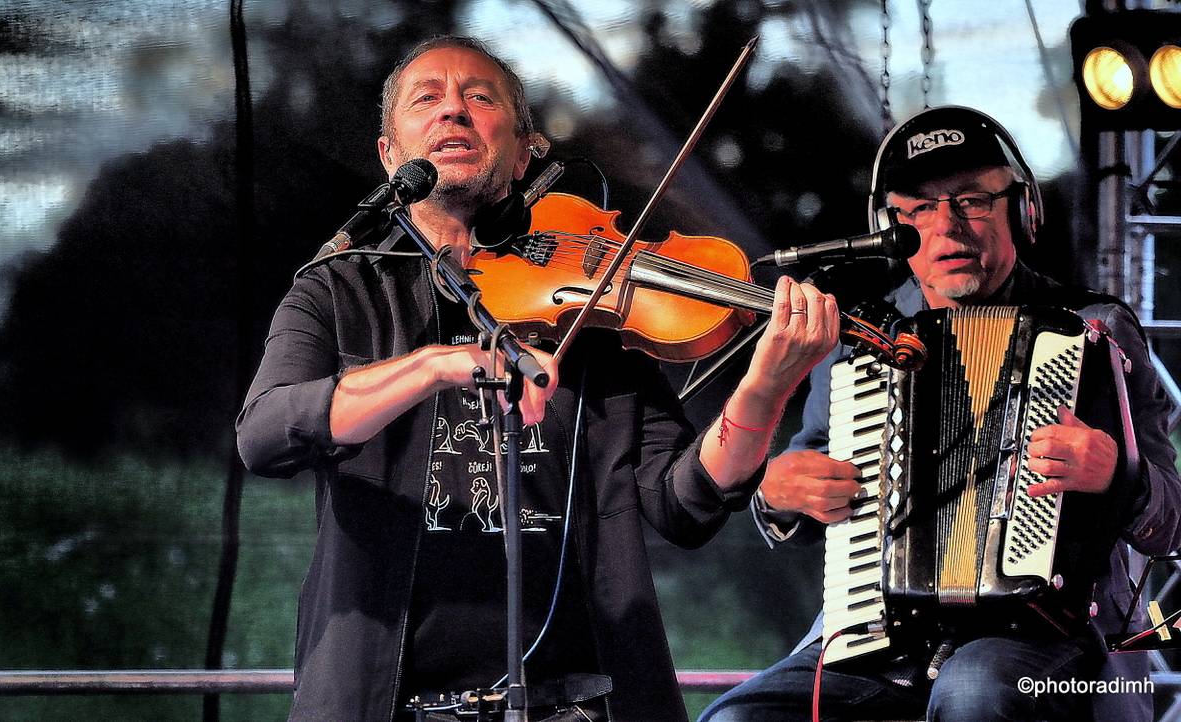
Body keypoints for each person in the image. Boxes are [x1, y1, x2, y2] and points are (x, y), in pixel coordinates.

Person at [236, 36, 840, 721]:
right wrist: (437, 365)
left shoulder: (593, 300)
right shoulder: (337, 292)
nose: (453, 112)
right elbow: (265, 434)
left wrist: (764, 389)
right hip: (383, 702)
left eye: (480, 97)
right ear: (388, 155)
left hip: (579, 704)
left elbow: (683, 501)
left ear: (523, 153)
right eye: (426, 98)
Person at [700, 106, 1181, 722]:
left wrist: (1118, 475)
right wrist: (780, 488)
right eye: (918, 209)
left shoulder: (1098, 329)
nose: (947, 227)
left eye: (973, 201)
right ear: (888, 226)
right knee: (738, 718)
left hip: (1053, 639)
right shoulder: (859, 335)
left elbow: (1171, 522)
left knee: (975, 694)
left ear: (1022, 210)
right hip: (874, 637)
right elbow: (807, 463)